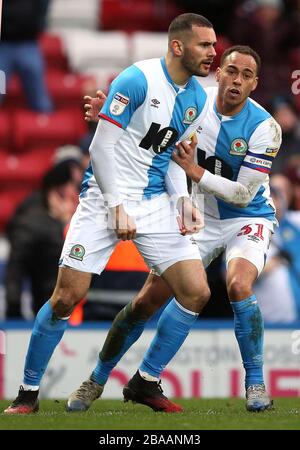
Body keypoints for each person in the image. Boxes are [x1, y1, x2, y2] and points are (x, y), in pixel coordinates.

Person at [4, 13, 217, 414]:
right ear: (177, 46)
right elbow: (101, 148)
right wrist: (117, 207)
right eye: (205, 45)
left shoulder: (198, 98)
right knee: (67, 297)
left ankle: (146, 381)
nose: (212, 53)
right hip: (104, 197)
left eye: (213, 44)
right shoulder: (137, 79)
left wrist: (182, 201)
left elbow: (169, 155)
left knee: (196, 291)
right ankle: (28, 394)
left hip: (153, 202)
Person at [66, 45, 281, 414]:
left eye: (246, 75)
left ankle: (255, 382)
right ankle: (96, 379)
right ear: (218, 73)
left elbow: (245, 194)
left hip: (248, 217)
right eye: (231, 71)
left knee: (238, 284)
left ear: (255, 84)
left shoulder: (265, 128)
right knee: (150, 297)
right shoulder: (194, 105)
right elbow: (149, 137)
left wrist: (196, 172)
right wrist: (111, 116)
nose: (236, 80)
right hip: (197, 211)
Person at [5, 157, 81, 318]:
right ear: (56, 189)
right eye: (72, 185)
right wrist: (14, 311)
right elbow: (16, 270)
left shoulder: (85, 214)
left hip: (87, 309)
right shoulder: (31, 219)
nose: (76, 192)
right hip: (48, 306)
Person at [254, 175, 300, 322]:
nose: (273, 203)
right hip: (267, 322)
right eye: (268, 197)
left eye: (277, 196)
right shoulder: (248, 231)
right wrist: (270, 265)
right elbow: (228, 276)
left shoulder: (293, 224)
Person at [0, 0, 53, 112]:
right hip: (2, 46)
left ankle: (45, 125)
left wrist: (37, 26)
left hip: (28, 44)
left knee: (40, 100)